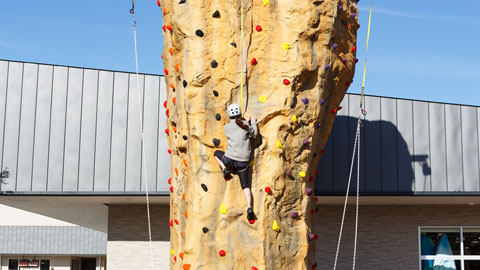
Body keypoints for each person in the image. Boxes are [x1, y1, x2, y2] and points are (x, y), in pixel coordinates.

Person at [214, 104, 258, 221]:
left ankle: (224, 169)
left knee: (216, 154)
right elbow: (254, 133)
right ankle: (249, 208)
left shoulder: (227, 127)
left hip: (229, 160)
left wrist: (246, 123)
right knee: (245, 186)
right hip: (243, 162)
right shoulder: (245, 126)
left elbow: (238, 129)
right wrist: (252, 122)